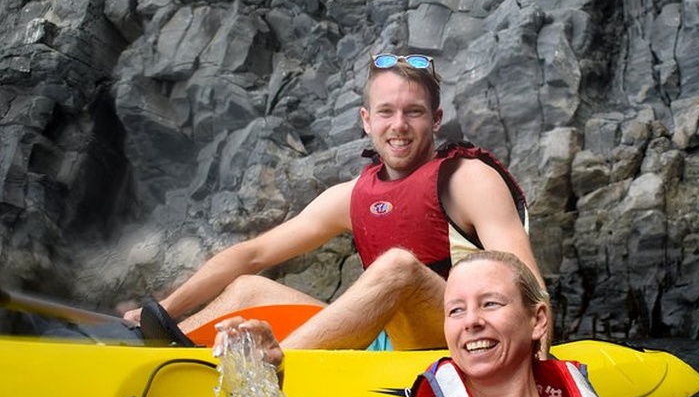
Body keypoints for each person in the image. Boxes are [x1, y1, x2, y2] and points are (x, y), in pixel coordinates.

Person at [123, 53, 546, 352]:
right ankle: (148, 350)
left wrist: (541, 364)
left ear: (435, 120)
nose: (398, 125)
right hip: (385, 343)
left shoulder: (468, 178)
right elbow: (253, 253)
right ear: (367, 121)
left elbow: (525, 281)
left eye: (413, 112)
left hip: (462, 333)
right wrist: (161, 311)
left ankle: (268, 371)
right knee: (247, 288)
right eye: (386, 112)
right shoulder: (351, 197)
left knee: (399, 267)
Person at [214, 251, 613, 397]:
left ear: (538, 320)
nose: (471, 321)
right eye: (456, 310)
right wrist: (265, 382)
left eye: (490, 304)